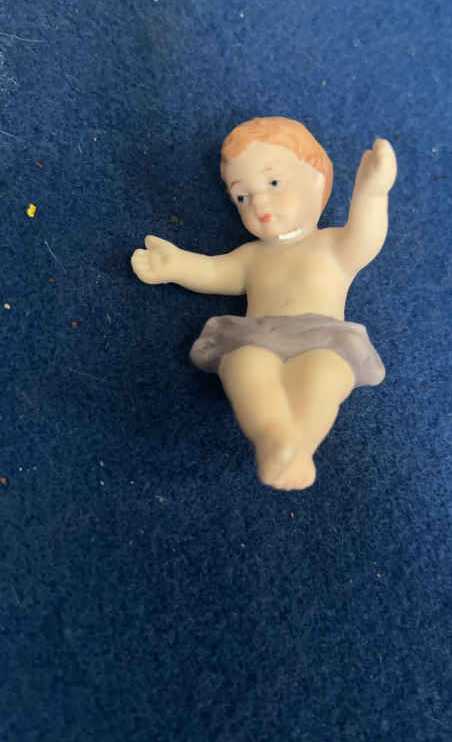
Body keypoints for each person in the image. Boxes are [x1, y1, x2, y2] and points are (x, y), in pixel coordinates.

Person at [131, 116, 397, 490]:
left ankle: (300, 447)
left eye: (273, 183)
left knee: (324, 374)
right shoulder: (251, 256)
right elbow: (213, 271)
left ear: (317, 179)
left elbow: (367, 237)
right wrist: (175, 265)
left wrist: (372, 193)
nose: (260, 203)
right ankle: (273, 438)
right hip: (258, 337)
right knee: (243, 365)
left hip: (325, 340)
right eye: (242, 196)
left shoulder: (333, 246)